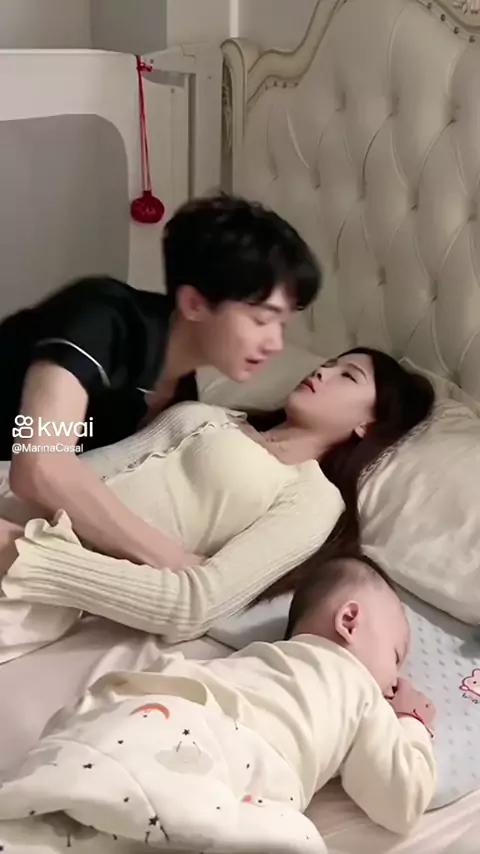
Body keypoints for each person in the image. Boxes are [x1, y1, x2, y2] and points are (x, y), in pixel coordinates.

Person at [0, 348, 435, 649]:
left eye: (348, 376)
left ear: (367, 425)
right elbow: (72, 468)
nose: (322, 372)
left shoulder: (314, 497)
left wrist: (27, 555)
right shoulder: (209, 414)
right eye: (328, 363)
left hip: (27, 574)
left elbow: (193, 606)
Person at [0, 554, 436, 851]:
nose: (396, 680)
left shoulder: (254, 660)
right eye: (396, 655)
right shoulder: (357, 686)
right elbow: (400, 799)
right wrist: (411, 721)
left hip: (128, 712)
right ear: (350, 620)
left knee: (56, 812)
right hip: (216, 747)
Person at [0, 194, 320, 570]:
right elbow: (40, 464)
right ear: (194, 304)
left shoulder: (182, 395)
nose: (275, 343)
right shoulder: (103, 318)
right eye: (262, 320)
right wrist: (175, 562)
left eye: (282, 324)